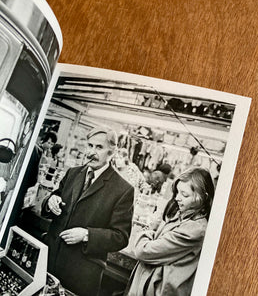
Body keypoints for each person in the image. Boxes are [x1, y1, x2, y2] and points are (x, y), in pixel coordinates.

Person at [41, 126, 134, 296]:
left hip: (80, 273)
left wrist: (86, 235)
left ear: (112, 152)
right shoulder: (73, 173)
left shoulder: (123, 189)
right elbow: (55, 199)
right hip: (49, 260)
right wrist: (50, 202)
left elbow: (121, 237)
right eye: (90, 146)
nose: (92, 152)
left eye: (99, 148)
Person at [125, 167, 214, 296]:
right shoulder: (180, 215)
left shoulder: (196, 230)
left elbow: (143, 251)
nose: (177, 198)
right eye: (177, 192)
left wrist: (147, 232)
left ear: (202, 197)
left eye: (185, 195)